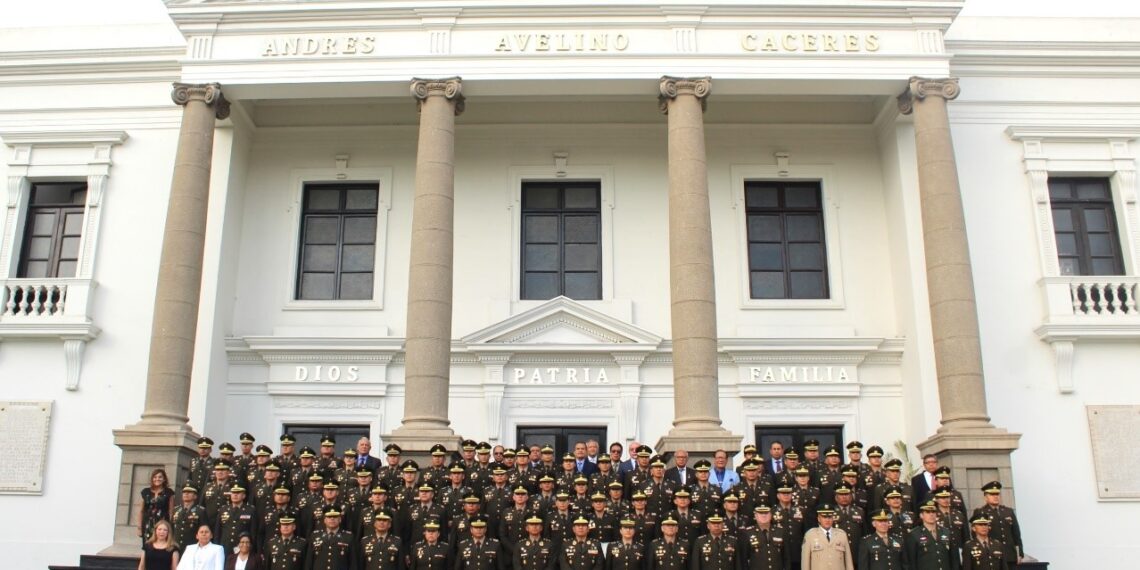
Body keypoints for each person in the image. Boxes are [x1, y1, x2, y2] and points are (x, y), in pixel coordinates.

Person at [970, 482, 1021, 567]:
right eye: (992, 494)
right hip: (991, 556)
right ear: (985, 497)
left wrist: (1020, 553)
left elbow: (1016, 534)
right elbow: (975, 535)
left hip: (1009, 555)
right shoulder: (980, 512)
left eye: (997, 494)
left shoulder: (1008, 511)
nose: (995, 496)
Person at [905, 500, 958, 570]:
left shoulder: (946, 532)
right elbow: (911, 561)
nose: (931, 514)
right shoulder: (914, 534)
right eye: (927, 512)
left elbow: (954, 559)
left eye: (933, 512)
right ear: (921, 515)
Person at [800, 505, 853, 570]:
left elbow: (848, 561)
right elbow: (805, 562)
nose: (827, 520)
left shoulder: (842, 535)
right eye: (824, 517)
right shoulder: (810, 535)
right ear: (819, 519)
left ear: (833, 518)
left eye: (830, 517)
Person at [140, 468, 176, 547]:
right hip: (148, 524)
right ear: (152, 479)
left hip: (162, 524)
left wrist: (170, 526)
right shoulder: (146, 492)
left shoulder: (169, 492)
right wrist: (139, 528)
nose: (157, 479)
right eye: (155, 477)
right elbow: (141, 511)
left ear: (164, 479)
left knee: (161, 546)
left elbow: (171, 511)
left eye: (160, 477)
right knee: (148, 547)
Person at [741, 506, 783, 570]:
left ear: (771, 515)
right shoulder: (748, 533)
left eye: (766, 513)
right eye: (760, 513)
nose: (764, 515)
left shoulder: (780, 531)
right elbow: (744, 559)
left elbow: (786, 557)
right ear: (755, 516)